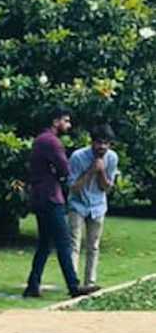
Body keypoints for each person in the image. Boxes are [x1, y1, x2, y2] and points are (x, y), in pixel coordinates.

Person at [23, 105, 97, 299]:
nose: (68, 125)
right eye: (66, 120)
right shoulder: (52, 142)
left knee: (45, 244)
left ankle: (33, 285)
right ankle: (73, 286)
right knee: (64, 242)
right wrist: (60, 174)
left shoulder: (40, 140)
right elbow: (65, 170)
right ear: (56, 121)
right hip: (50, 196)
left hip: (39, 196)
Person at [67, 123, 119, 289]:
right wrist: (91, 170)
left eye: (106, 143)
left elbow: (106, 188)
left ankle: (90, 282)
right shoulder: (78, 157)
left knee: (93, 246)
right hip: (78, 204)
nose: (102, 147)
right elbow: (74, 187)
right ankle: (73, 284)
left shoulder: (112, 158)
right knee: (74, 244)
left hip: (98, 206)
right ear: (92, 142)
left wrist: (101, 171)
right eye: (98, 142)